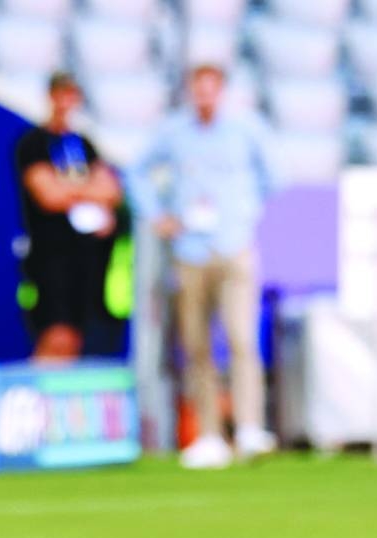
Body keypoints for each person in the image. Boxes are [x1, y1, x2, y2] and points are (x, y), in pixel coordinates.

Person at [127, 64, 277, 469]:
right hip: (190, 250)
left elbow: (274, 177)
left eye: (211, 90)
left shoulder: (246, 129)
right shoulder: (174, 132)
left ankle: (248, 427)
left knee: (242, 339)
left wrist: (244, 214)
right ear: (191, 93)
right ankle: (209, 433)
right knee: (196, 345)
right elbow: (136, 171)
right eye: (199, 90)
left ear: (222, 91)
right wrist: (157, 214)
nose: (205, 98)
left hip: (233, 246)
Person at [15, 71, 124, 359]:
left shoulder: (84, 144)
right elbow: (49, 196)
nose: (66, 102)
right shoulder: (33, 143)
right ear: (51, 97)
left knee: (79, 336)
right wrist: (89, 189)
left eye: (71, 95)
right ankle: (36, 387)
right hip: (50, 256)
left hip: (86, 256)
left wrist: (70, 188)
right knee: (56, 335)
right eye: (61, 94)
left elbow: (112, 190)